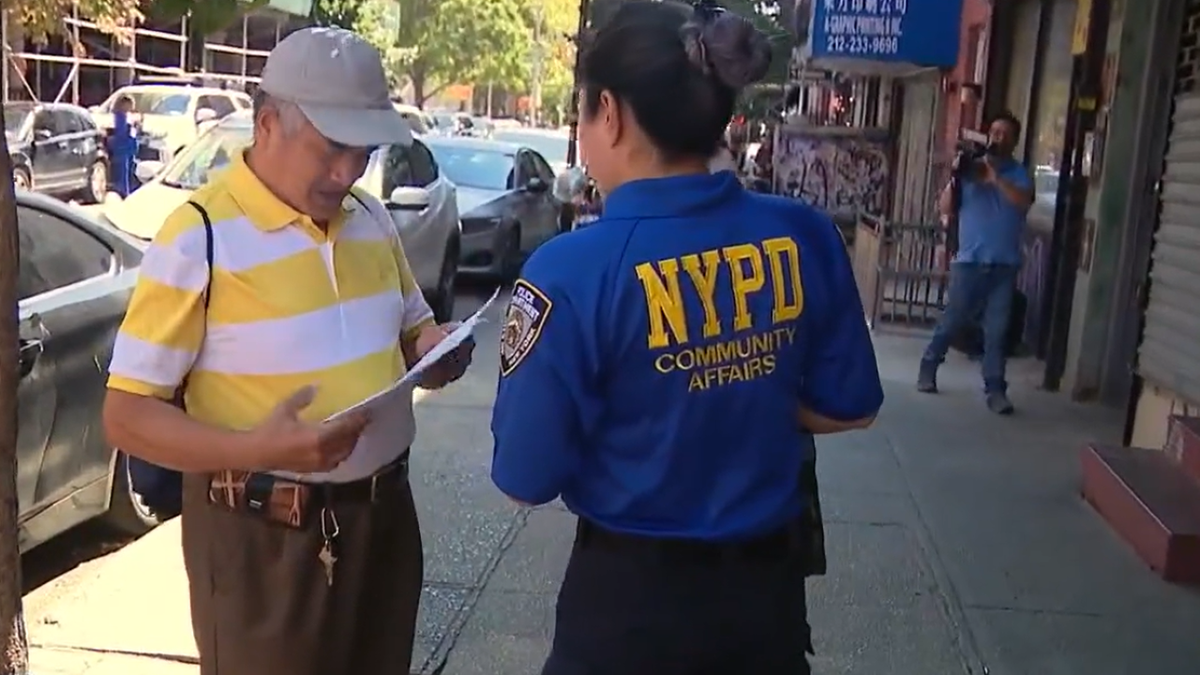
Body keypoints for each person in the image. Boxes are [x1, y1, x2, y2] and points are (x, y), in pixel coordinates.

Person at [488, 2, 884, 673]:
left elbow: (526, 476)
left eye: (582, 112)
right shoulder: (803, 233)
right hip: (766, 603)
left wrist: (660, 400)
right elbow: (853, 405)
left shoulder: (572, 271)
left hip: (628, 611)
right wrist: (739, 389)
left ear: (609, 112)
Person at [101, 27, 473, 675]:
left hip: (384, 523)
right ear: (268, 123)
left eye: (363, 150)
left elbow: (415, 326)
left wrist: (437, 347)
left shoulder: (372, 217)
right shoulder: (199, 237)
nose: (349, 169)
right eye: (332, 147)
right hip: (265, 541)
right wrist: (264, 449)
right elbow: (127, 415)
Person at [917, 112, 1034, 415]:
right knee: (953, 321)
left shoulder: (1019, 174)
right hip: (969, 263)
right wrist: (956, 176)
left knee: (996, 332)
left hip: (1003, 267)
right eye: (994, 132)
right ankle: (929, 366)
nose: (998, 138)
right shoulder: (972, 172)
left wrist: (996, 179)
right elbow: (945, 208)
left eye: (1005, 134)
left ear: (1015, 141)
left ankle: (995, 389)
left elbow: (1023, 201)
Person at [108, 94, 139, 198]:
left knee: (128, 169)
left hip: (126, 147)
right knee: (123, 171)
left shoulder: (124, 116)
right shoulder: (120, 117)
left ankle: (127, 189)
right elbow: (121, 133)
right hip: (123, 147)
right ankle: (124, 191)